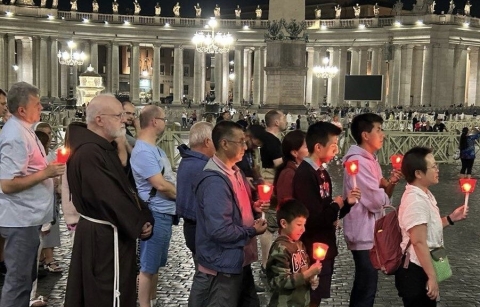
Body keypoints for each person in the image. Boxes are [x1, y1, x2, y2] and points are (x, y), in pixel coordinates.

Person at [64, 94, 154, 307]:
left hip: (108, 235)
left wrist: (144, 215)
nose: (124, 119)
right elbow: (108, 197)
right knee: (104, 295)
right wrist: (139, 222)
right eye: (118, 115)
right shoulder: (89, 152)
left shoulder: (103, 147)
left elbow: (125, 188)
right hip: (102, 239)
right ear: (99, 119)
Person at [189, 120, 267, 307]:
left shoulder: (236, 171)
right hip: (221, 265)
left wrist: (253, 209)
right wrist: (251, 232)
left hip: (239, 260)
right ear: (224, 144)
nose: (245, 146)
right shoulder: (214, 182)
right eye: (240, 141)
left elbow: (235, 209)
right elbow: (219, 230)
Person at [0, 82, 65, 307]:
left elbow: (32, 167)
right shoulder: (15, 136)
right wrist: (46, 173)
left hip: (29, 218)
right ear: (22, 110)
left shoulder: (25, 129)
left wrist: (52, 164)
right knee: (18, 280)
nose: (42, 107)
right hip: (20, 219)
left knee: (25, 279)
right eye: (37, 104)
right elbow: (7, 184)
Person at [292, 122, 361, 307]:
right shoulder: (305, 175)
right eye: (333, 146)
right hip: (311, 246)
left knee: (317, 297)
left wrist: (347, 204)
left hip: (324, 245)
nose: (336, 151)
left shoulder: (323, 173)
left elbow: (330, 214)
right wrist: (337, 205)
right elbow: (314, 219)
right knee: (310, 297)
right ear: (318, 147)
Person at [342, 113, 402, 307]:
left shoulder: (370, 160)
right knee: (366, 287)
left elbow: (382, 193)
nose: (382, 134)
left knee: (366, 285)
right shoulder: (358, 162)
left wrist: (390, 184)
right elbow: (376, 201)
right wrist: (383, 192)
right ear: (365, 135)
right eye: (378, 129)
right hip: (363, 232)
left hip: (371, 231)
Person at [395, 147, 467, 306]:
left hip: (421, 267)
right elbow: (418, 241)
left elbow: (426, 229)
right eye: (433, 166)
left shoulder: (424, 194)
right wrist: (432, 277)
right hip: (416, 270)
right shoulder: (416, 201)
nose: (437, 169)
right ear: (418, 173)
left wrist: (450, 218)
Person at [130, 106, 177, 307]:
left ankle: (152, 299)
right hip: (155, 212)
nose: (166, 123)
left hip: (164, 212)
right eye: (164, 119)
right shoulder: (142, 151)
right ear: (154, 121)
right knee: (148, 266)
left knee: (156, 264)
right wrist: (183, 197)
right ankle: (144, 304)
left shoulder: (154, 148)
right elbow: (159, 184)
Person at [266, 199, 322, 307]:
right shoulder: (280, 248)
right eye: (299, 224)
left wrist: (311, 280)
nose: (303, 229)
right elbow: (280, 281)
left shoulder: (299, 245)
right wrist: (308, 273)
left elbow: (303, 270)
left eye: (304, 224)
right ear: (284, 223)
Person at [176, 122, 215, 258]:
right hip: (201, 228)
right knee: (206, 275)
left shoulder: (187, 160)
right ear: (207, 142)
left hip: (192, 227)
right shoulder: (204, 167)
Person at [273, 130, 308, 206]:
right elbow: (287, 204)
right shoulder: (288, 174)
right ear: (295, 153)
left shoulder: (304, 169)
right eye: (307, 147)